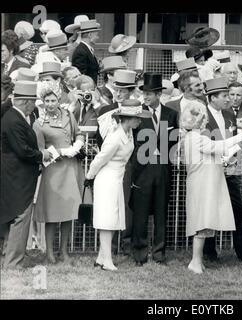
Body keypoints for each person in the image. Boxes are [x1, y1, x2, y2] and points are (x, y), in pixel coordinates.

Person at [181, 100, 242, 274]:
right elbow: (219, 146)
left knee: (205, 222)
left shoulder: (196, 138)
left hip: (206, 183)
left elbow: (215, 154)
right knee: (202, 222)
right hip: (202, 185)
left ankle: (197, 260)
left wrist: (225, 158)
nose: (205, 121)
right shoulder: (196, 138)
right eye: (202, 118)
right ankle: (195, 261)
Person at [85, 102, 151, 271]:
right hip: (107, 179)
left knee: (113, 219)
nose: (140, 122)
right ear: (129, 118)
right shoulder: (115, 137)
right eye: (137, 118)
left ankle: (101, 258)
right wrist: (89, 176)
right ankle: (107, 260)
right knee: (107, 220)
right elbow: (100, 159)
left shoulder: (128, 132)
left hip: (116, 178)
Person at [0, 81, 53, 268]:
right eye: (33, 102)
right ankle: (14, 261)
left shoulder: (14, 117)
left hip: (15, 175)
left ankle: (13, 257)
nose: (35, 106)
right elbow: (23, 151)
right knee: (21, 216)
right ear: (26, 102)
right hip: (17, 176)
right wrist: (42, 154)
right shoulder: (14, 119)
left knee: (16, 216)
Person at [202, 77, 242, 263]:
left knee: (238, 210)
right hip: (211, 170)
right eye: (224, 96)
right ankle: (209, 253)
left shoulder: (229, 115)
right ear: (212, 98)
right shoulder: (203, 115)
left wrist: (232, 157)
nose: (228, 99)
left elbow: (233, 139)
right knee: (210, 210)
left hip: (230, 170)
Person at [129, 72, 179, 266]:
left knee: (161, 212)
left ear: (159, 94)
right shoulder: (137, 114)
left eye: (149, 93)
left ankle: (159, 253)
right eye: (144, 93)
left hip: (163, 169)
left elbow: (173, 140)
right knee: (140, 212)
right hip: (142, 169)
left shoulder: (171, 114)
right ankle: (139, 253)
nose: (146, 97)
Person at [32, 83, 85, 264]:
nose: (50, 104)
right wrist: (61, 152)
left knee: (68, 212)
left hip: (70, 169)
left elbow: (78, 133)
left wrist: (77, 144)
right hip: (53, 171)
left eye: (53, 100)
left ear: (59, 99)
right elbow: (40, 153)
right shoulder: (39, 123)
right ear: (42, 101)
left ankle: (64, 251)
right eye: (47, 100)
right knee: (52, 215)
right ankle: (50, 253)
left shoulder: (68, 115)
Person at [71, 20, 101, 84]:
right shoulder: (81, 51)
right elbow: (81, 77)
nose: (98, 37)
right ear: (90, 35)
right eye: (96, 35)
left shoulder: (85, 49)